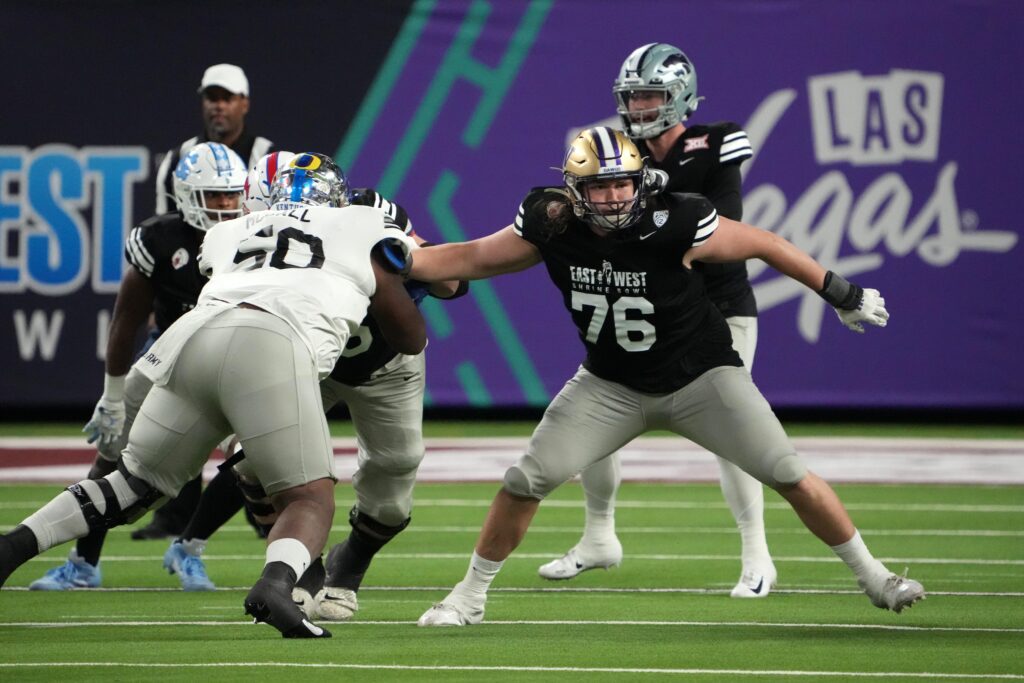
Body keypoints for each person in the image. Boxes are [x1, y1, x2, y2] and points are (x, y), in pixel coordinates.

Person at [408, 126, 925, 626]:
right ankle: (467, 598)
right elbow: (473, 257)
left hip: (702, 378)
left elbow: (765, 243)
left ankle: (876, 577)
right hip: (608, 384)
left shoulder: (676, 219)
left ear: (640, 181)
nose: (612, 197)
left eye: (621, 184)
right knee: (524, 481)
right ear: (574, 192)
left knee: (788, 472)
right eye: (599, 186)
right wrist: (396, 260)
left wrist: (841, 293)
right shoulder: (552, 222)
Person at [0, 153, 426, 640]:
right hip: (273, 344)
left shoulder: (227, 232)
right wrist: (397, 274)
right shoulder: (361, 221)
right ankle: (276, 586)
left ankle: (12, 546)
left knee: (133, 484)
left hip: (192, 338)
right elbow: (414, 332)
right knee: (309, 497)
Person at [161, 152, 466, 616]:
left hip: (382, 361)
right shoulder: (240, 235)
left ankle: (352, 563)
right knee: (248, 459)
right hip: (301, 356)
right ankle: (304, 566)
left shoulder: (369, 216)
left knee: (393, 483)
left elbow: (451, 282)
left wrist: (403, 261)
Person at [538, 43, 774, 599]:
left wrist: (658, 195)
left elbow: (726, 224)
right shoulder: (615, 151)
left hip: (716, 308)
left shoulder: (714, 142)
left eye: (650, 96)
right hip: (645, 307)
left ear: (681, 97)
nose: (640, 107)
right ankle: (598, 538)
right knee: (596, 427)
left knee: (734, 435)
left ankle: (757, 554)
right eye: (633, 97)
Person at [26, 142, 248, 591]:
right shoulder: (161, 240)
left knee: (256, 461)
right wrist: (112, 394)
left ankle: (189, 547)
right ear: (187, 195)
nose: (226, 207)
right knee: (112, 456)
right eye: (214, 196)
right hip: (166, 357)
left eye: (231, 195)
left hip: (235, 358)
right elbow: (127, 317)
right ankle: (83, 564)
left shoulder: (260, 237)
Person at [141, 63, 276, 541]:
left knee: (253, 430)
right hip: (184, 309)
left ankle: (253, 509)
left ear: (244, 103)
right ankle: (174, 516)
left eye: (227, 97)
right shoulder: (178, 159)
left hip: (240, 305)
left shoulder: (266, 158)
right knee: (166, 425)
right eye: (211, 97)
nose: (218, 105)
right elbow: (165, 242)